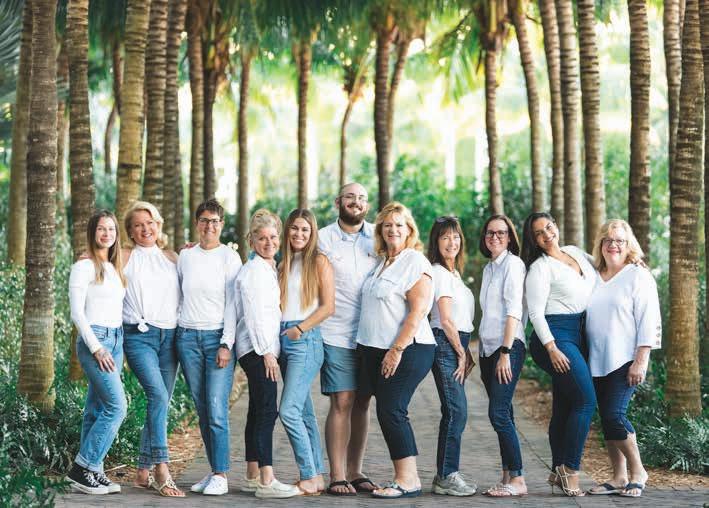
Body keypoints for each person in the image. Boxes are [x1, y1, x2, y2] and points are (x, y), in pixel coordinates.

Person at [356, 201, 435, 500]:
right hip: (377, 349)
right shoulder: (382, 263)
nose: (393, 229)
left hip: (409, 348)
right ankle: (402, 476)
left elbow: (418, 311)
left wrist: (396, 349)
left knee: (392, 409)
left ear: (409, 230)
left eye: (399, 225)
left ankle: (408, 479)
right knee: (386, 410)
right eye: (387, 225)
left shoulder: (415, 261)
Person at [521, 212, 597, 497]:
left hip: (579, 333)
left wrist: (632, 259)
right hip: (554, 336)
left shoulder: (575, 252)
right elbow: (535, 313)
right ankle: (570, 470)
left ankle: (557, 469)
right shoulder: (540, 268)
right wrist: (552, 348)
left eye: (549, 227)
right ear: (534, 240)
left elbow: (603, 265)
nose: (547, 234)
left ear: (556, 225)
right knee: (585, 401)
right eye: (539, 233)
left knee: (565, 404)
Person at [585, 220, 661, 498]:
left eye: (619, 240)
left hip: (625, 359)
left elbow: (649, 319)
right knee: (606, 419)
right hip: (596, 359)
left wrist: (641, 360)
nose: (613, 245)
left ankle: (638, 471)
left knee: (614, 415)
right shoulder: (593, 275)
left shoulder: (637, 275)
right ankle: (618, 476)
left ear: (629, 245)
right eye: (607, 240)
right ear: (600, 244)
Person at [176, 198, 242, 496]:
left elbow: (233, 305)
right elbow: (178, 293)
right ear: (197, 223)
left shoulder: (230, 258)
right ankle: (213, 469)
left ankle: (221, 474)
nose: (209, 226)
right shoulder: (186, 256)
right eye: (204, 220)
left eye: (215, 221)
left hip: (217, 339)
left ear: (221, 224)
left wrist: (227, 343)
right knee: (203, 409)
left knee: (216, 408)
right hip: (188, 338)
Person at [233, 209, 301, 499]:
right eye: (262, 238)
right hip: (257, 350)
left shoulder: (267, 268)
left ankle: (252, 475)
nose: (269, 242)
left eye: (273, 237)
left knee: (257, 409)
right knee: (267, 411)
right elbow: (253, 316)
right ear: (251, 241)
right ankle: (267, 480)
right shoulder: (253, 272)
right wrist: (267, 353)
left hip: (260, 349)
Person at [318, 183, 379, 496]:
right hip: (335, 332)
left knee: (363, 401)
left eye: (362, 198)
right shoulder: (322, 238)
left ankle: (356, 470)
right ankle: (337, 475)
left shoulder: (379, 235)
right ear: (338, 202)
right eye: (350, 197)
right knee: (342, 400)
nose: (356, 202)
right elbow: (294, 262)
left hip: (371, 335)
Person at [121, 201, 184, 498]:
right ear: (130, 231)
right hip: (139, 336)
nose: (145, 229)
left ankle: (142, 470)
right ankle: (161, 469)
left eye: (150, 223)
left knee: (160, 401)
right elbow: (97, 260)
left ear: (158, 225)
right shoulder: (124, 255)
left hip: (169, 338)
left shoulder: (173, 257)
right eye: (138, 225)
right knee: (157, 396)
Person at [66, 210, 127, 495]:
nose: (107, 234)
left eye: (111, 229)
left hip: (116, 339)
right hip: (96, 341)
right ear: (92, 232)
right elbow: (77, 313)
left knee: (97, 409)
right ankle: (82, 467)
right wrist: (97, 348)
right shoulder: (84, 266)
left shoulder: (113, 267)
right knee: (117, 407)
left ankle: (94, 470)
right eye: (101, 229)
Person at [278, 208, 335, 496]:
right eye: (295, 228)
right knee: (302, 412)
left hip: (305, 339)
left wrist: (299, 329)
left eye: (305, 229)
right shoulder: (283, 263)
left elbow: (328, 306)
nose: (299, 234)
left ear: (312, 233)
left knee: (287, 411)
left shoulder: (319, 261)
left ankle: (309, 474)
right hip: (283, 341)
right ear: (287, 230)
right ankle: (317, 476)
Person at [425, 216, 477, 496]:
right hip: (446, 344)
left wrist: (464, 349)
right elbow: (445, 319)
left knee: (453, 411)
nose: (451, 242)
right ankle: (446, 476)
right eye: (445, 237)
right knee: (457, 411)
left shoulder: (453, 273)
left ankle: (446, 473)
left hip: (456, 342)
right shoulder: (439, 272)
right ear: (436, 242)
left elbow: (460, 319)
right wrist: (460, 351)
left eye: (455, 236)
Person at [477, 215, 528, 497]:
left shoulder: (513, 264)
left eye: (501, 233)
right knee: (504, 412)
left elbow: (513, 311)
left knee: (497, 412)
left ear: (509, 238)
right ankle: (507, 475)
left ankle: (518, 479)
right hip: (488, 349)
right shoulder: (489, 268)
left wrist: (506, 352)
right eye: (490, 233)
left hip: (507, 347)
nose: (494, 237)